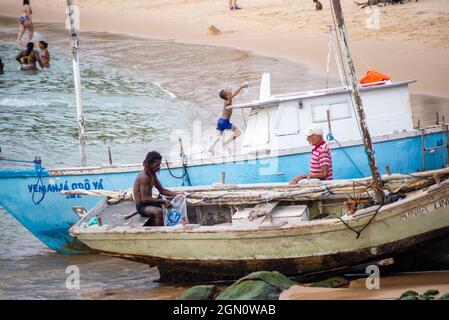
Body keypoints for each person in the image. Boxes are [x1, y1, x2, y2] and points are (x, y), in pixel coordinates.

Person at [133, 151, 180, 226]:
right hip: (142, 207)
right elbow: (144, 199)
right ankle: (159, 234)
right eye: (157, 165)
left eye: (159, 165)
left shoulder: (152, 174)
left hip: (150, 203)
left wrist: (178, 194)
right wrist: (163, 201)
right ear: (150, 164)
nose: (158, 167)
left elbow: (162, 190)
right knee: (159, 212)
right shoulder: (144, 177)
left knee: (172, 205)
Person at [208, 83, 246, 155]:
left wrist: (240, 87)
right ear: (227, 95)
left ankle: (211, 147)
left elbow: (233, 93)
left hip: (220, 121)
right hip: (225, 122)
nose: (229, 90)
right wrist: (241, 87)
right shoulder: (229, 99)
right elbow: (234, 92)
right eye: (227, 90)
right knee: (238, 132)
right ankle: (225, 144)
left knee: (217, 137)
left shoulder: (227, 99)